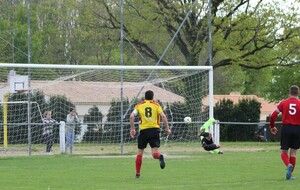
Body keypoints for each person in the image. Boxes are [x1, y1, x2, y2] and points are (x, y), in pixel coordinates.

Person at [129, 90, 171, 179]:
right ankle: (160, 157)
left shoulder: (139, 105)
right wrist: (167, 128)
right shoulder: (156, 105)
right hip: (154, 131)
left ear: (145, 97)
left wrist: (132, 129)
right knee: (155, 153)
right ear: (152, 97)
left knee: (140, 152)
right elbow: (163, 116)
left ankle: (137, 174)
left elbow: (131, 116)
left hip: (143, 131)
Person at [270, 85, 300, 180]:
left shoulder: (284, 103)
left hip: (286, 128)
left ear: (289, 93)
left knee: (283, 151)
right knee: (294, 152)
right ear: (298, 93)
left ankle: (288, 165)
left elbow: (273, 115)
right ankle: (290, 175)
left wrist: (272, 126)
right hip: (297, 129)